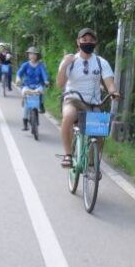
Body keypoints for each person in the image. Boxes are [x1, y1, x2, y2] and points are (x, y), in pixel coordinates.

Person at [56, 28, 120, 168]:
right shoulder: (70, 60)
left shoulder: (100, 62)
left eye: (91, 40)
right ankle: (68, 155)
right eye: (84, 40)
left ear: (95, 42)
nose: (88, 43)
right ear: (78, 42)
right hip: (73, 99)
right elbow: (60, 84)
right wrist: (64, 65)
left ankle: (92, 162)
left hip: (93, 103)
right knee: (68, 116)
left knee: (100, 129)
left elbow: (109, 83)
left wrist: (114, 93)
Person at [16, 47, 49, 131]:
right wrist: (18, 78)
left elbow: (44, 73)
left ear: (37, 56)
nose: (32, 56)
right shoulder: (25, 65)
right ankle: (25, 123)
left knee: (41, 91)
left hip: (38, 85)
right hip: (27, 86)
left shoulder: (40, 65)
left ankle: (41, 104)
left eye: (34, 54)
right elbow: (19, 73)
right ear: (28, 55)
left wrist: (46, 81)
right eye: (30, 54)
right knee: (26, 106)